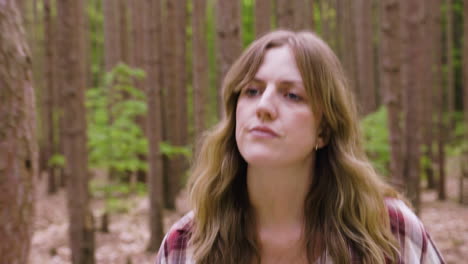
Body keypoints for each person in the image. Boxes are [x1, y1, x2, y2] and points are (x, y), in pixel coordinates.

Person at [155, 30, 445, 264]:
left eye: (291, 95)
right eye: (252, 91)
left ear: (324, 130)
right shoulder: (187, 244)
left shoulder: (389, 233)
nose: (264, 107)